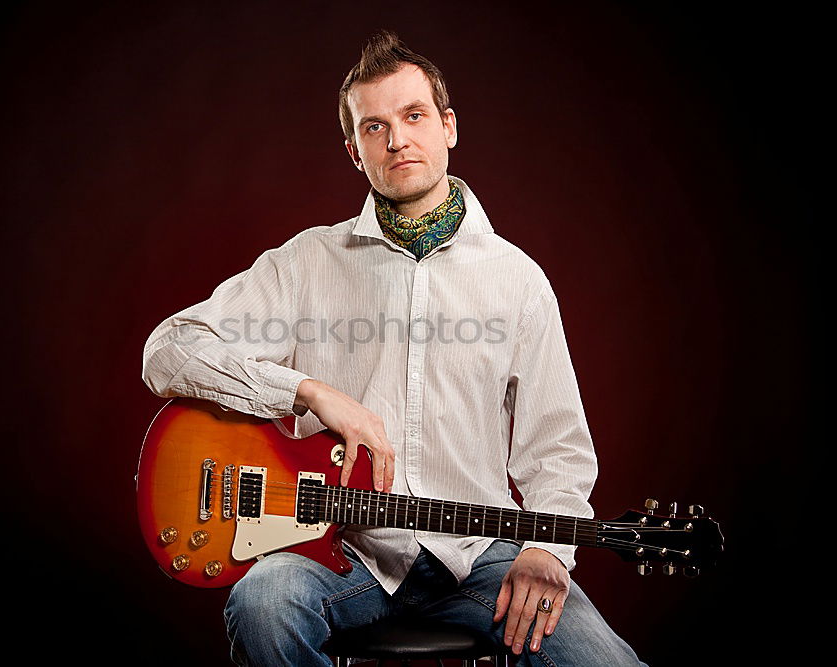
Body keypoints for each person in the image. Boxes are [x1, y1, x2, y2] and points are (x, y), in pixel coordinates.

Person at [142, 30, 645, 666]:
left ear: (448, 127)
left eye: (413, 116)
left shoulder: (518, 280)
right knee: (262, 604)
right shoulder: (305, 263)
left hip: (479, 562)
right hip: (338, 553)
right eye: (374, 127)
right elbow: (167, 350)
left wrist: (547, 550)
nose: (397, 139)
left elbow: (559, 450)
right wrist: (309, 392)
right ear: (354, 150)